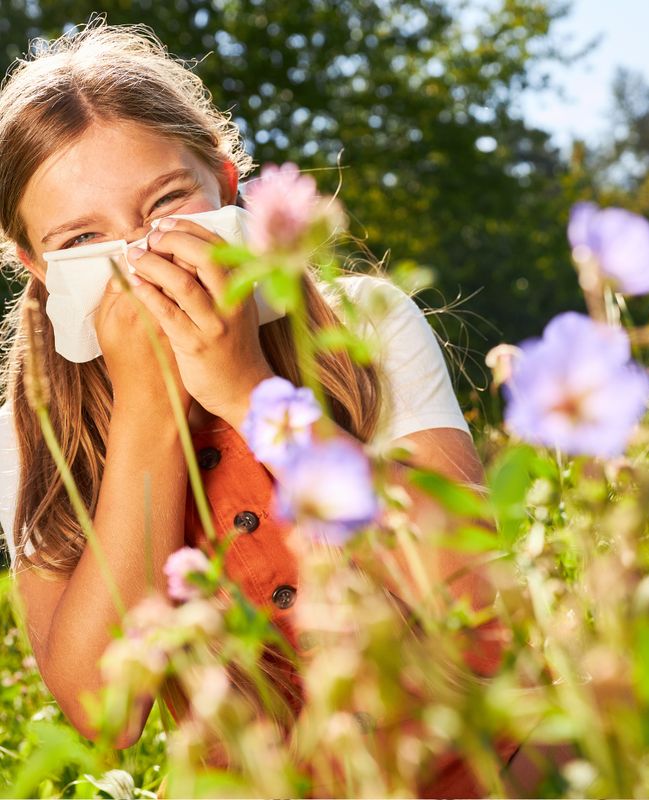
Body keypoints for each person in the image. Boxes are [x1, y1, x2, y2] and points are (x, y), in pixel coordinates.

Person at [0, 21, 527, 796]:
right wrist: (148, 414)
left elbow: (471, 593)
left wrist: (246, 390)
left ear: (225, 180)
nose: (140, 255)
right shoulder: (35, 428)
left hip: (494, 762)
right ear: (36, 266)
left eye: (167, 203)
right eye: (84, 236)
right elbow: (101, 712)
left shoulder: (363, 322)